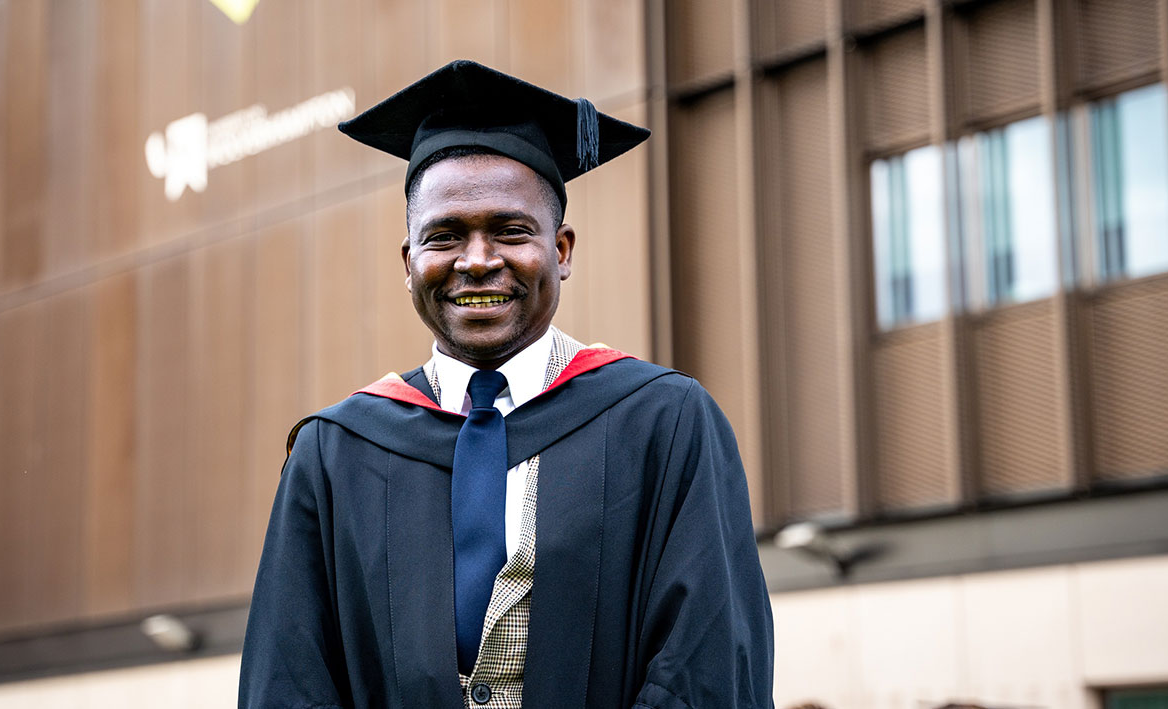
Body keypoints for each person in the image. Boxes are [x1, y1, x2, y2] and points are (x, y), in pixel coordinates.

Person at [238, 60, 772, 709]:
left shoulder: (662, 421)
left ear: (562, 249)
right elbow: (286, 679)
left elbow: (707, 660)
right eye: (444, 235)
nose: (478, 259)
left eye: (510, 230)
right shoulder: (334, 451)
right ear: (409, 264)